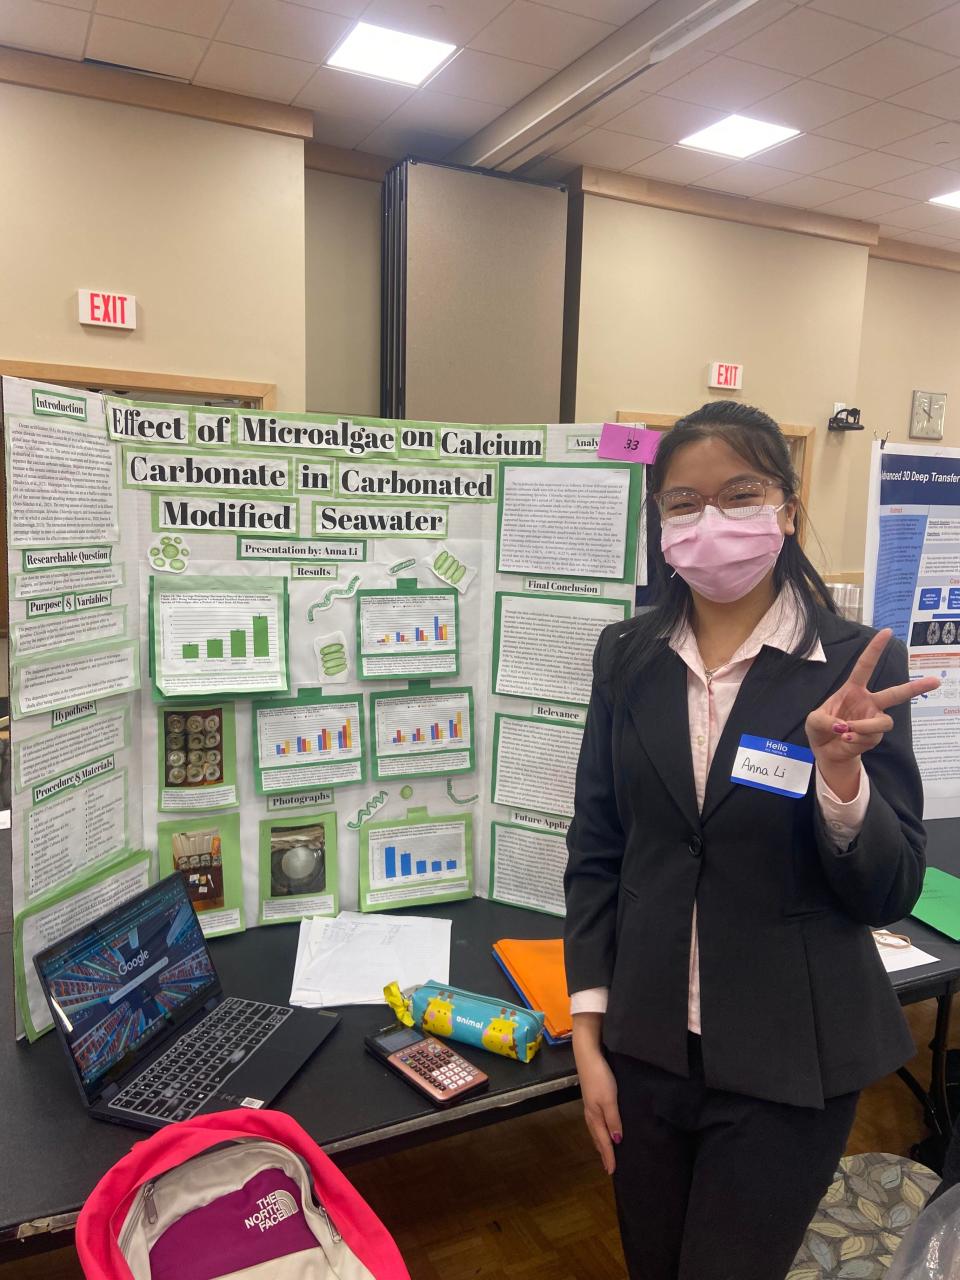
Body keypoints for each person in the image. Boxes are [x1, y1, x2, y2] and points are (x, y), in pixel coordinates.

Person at [563, 400, 938, 1280]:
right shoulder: (626, 655)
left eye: (740, 494)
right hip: (646, 1046)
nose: (710, 522)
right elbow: (598, 848)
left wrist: (840, 780)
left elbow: (888, 893)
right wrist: (589, 1036)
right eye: (683, 503)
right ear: (658, 521)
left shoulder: (852, 665)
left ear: (787, 508)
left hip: (790, 1053)